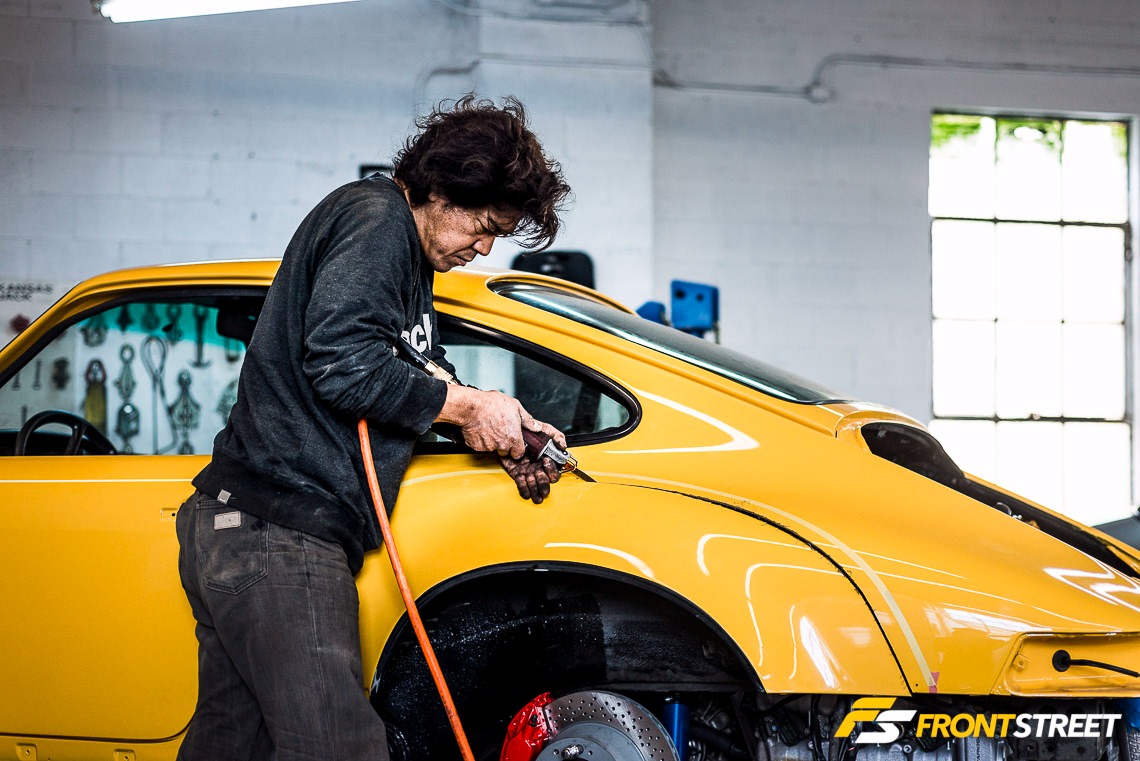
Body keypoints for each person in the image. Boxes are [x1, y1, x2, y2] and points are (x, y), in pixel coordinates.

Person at [175, 95, 572, 761]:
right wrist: (468, 409)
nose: (485, 247)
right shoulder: (376, 220)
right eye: (484, 225)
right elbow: (343, 363)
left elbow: (415, 370)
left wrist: (502, 424)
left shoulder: (405, 255)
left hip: (242, 527)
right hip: (280, 531)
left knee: (232, 745)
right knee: (340, 748)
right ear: (442, 187)